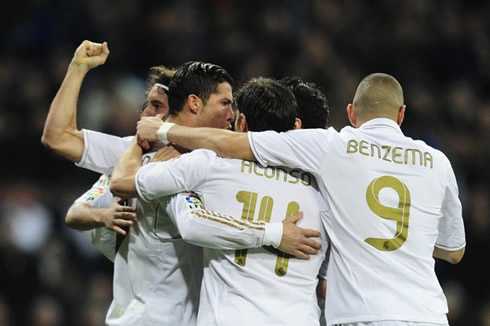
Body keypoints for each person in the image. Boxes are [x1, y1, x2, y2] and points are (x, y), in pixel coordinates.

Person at [137, 73, 466, 326]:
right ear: (401, 114)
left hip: (359, 313)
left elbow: (226, 144)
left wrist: (164, 131)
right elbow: (454, 251)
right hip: (428, 314)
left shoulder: (332, 146)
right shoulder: (438, 162)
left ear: (351, 113)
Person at [111, 77, 329, 325]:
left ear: (242, 122)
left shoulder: (208, 164)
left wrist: (141, 145)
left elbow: (124, 184)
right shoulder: (322, 188)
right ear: (295, 127)